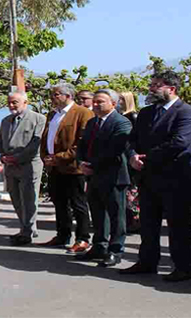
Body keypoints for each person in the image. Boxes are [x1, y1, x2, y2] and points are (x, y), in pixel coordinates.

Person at [120, 71, 191, 282]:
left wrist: (146, 158)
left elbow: (180, 143)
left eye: (156, 85)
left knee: (178, 225)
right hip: (148, 178)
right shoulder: (146, 113)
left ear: (171, 89)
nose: (151, 88)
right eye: (152, 84)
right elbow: (132, 140)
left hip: (176, 178)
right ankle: (147, 262)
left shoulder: (187, 113)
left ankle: (184, 267)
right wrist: (131, 156)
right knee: (148, 224)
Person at [75, 89, 132, 267]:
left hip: (113, 176)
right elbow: (82, 145)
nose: (96, 104)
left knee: (117, 216)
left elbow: (115, 149)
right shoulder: (92, 122)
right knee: (98, 214)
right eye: (95, 101)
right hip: (93, 177)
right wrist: (81, 162)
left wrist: (93, 165)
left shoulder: (121, 122)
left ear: (113, 104)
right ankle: (99, 246)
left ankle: (115, 250)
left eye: (101, 102)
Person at [40, 83, 94, 253]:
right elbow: (46, 138)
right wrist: (46, 157)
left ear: (68, 96)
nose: (52, 98)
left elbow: (82, 143)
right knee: (59, 202)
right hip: (54, 167)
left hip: (73, 168)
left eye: (56, 95)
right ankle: (62, 235)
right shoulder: (52, 114)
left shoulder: (82, 113)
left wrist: (59, 158)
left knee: (78, 204)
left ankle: (83, 238)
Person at [0, 91, 47, 246]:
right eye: (9, 102)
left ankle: (27, 231)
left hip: (29, 165)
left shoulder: (39, 119)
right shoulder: (6, 121)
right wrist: (0, 157)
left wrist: (16, 158)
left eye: (15, 102)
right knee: (16, 198)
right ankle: (25, 227)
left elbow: (35, 144)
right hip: (10, 167)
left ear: (25, 102)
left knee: (29, 198)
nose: (11, 105)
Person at [118, 91, 140, 231]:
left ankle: (134, 220)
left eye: (121, 99)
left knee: (131, 193)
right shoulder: (122, 116)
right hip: (123, 157)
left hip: (129, 158)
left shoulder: (132, 116)